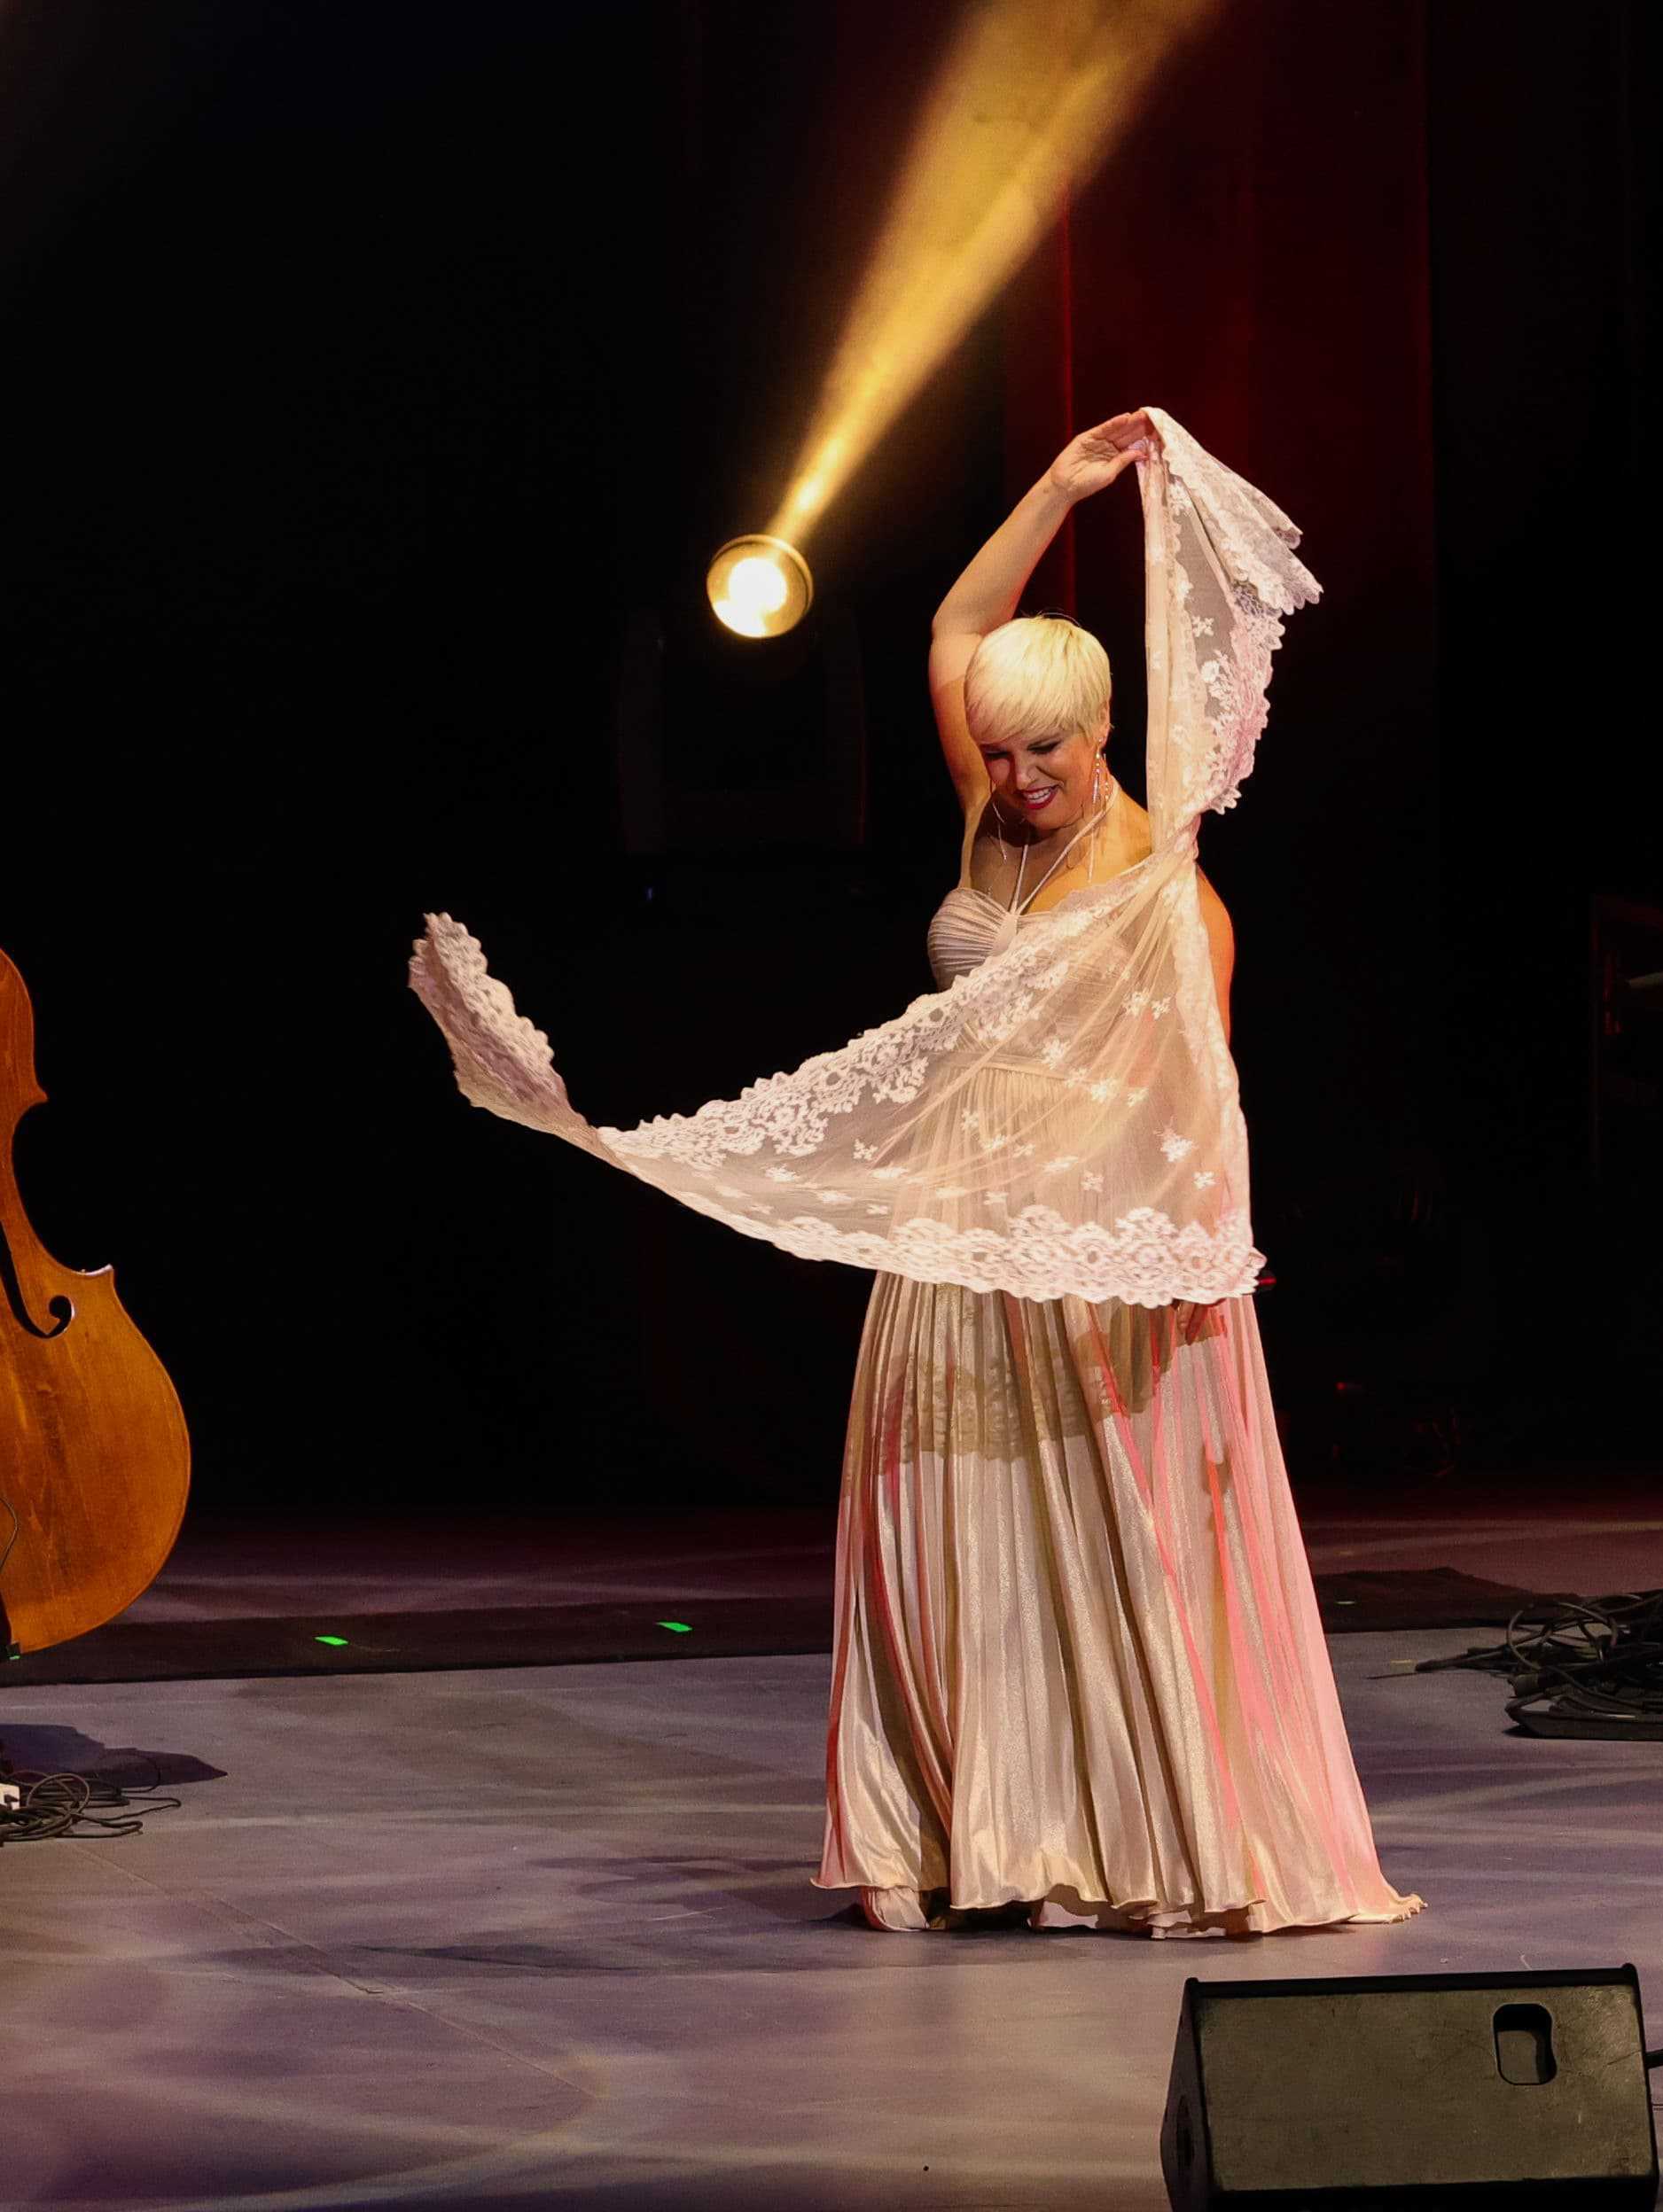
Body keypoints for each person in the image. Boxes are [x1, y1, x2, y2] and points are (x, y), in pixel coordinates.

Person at [411, 409, 1420, 1937]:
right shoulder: (985, 807)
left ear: (1103, 733)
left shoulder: (1163, 897)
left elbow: (1200, 1097)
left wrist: (1205, 1242)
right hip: (951, 1225)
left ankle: (1111, 1842)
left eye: (1048, 753)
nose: (1016, 776)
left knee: (1086, 1544)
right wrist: (1062, 487)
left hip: (1082, 1246)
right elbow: (957, 623)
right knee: (930, 1521)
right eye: (1002, 751)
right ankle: (928, 1834)